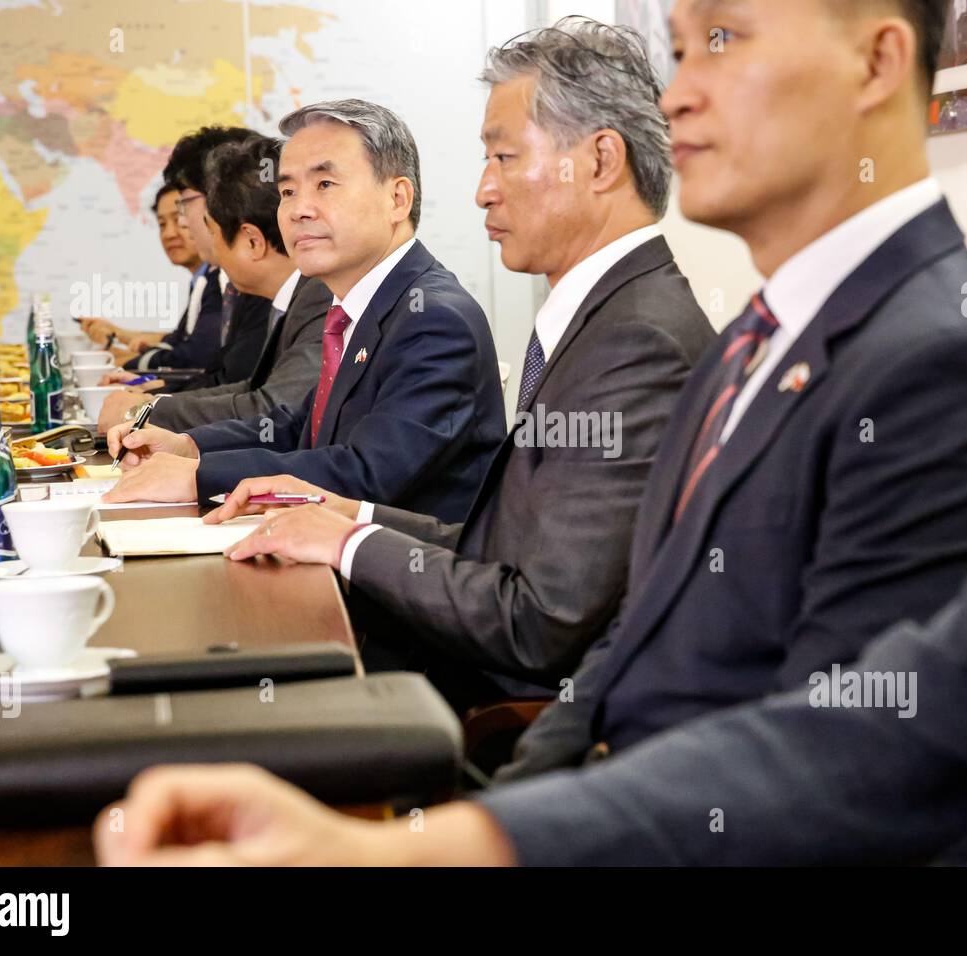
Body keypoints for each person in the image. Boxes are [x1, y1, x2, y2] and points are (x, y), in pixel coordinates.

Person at [94, 0, 967, 868]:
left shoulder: (946, 366)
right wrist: (473, 828)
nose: (676, 97)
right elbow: (633, 643)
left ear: (875, 62)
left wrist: (460, 838)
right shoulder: (756, 342)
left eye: (719, 40)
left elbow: (867, 763)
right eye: (677, 50)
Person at [202, 19, 714, 707]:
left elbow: (540, 622)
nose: (482, 191)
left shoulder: (637, 341)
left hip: (504, 697)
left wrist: (350, 546)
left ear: (599, 162)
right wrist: (347, 517)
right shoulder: (610, 315)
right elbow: (509, 546)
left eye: (502, 158)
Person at [103, 99, 506, 524]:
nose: (298, 209)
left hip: (391, 576)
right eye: (288, 191)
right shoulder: (362, 305)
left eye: (325, 185)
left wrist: (199, 476)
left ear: (397, 199)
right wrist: (190, 446)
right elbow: (304, 428)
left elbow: (366, 473)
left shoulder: (432, 318)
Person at [96, 136, 329, 434]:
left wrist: (140, 411)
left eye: (213, 232)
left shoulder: (320, 297)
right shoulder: (295, 296)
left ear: (253, 242)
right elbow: (251, 389)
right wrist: (151, 403)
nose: (212, 253)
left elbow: (273, 407)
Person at [111, 126, 256, 378]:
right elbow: (224, 382)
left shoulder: (253, 287)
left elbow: (201, 358)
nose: (182, 225)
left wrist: (135, 374)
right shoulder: (225, 280)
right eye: (162, 223)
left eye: (184, 206)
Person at [79, 185, 202, 363]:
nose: (168, 234)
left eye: (179, 220)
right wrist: (118, 336)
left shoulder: (220, 282)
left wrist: (120, 359)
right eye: (162, 224)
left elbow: (194, 357)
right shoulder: (199, 282)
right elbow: (179, 340)